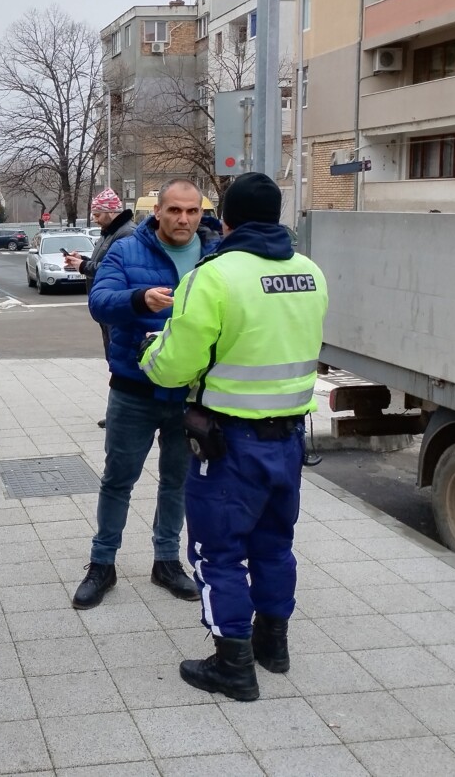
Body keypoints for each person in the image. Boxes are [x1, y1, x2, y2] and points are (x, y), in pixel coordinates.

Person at [139, 172, 329, 701]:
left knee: (217, 553)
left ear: (225, 221)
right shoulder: (310, 272)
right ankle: (275, 646)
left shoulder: (215, 275)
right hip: (289, 439)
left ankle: (233, 665)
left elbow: (175, 367)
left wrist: (150, 355)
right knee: (275, 545)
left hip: (229, 446)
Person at [72, 177, 219, 610]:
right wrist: (139, 300)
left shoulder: (215, 255)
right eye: (175, 210)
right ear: (157, 211)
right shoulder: (126, 250)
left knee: (177, 481)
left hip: (188, 393)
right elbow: (99, 302)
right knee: (118, 479)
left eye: (192, 211)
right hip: (134, 390)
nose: (184, 219)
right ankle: (102, 563)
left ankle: (166, 561)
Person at [64, 188, 135, 429]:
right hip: (107, 309)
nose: (94, 217)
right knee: (113, 359)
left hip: (116, 306)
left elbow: (113, 268)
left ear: (110, 212)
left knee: (119, 360)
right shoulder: (110, 233)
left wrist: (83, 265)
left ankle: (122, 413)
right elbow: (103, 261)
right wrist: (82, 259)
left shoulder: (126, 234)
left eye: (97, 213)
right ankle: (117, 411)